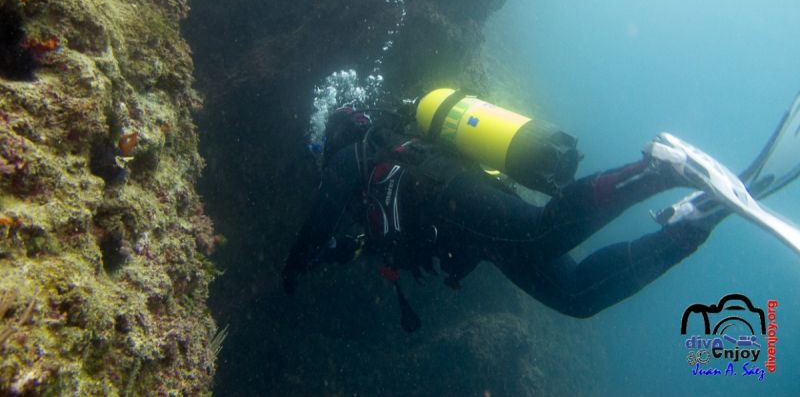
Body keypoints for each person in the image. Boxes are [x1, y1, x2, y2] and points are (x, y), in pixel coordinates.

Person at [280, 101, 770, 332]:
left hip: (457, 200)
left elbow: (320, 218)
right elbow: (375, 234)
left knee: (539, 235)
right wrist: (345, 250)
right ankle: (692, 225)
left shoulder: (356, 158)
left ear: (339, 134)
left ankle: (654, 172)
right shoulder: (373, 172)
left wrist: (293, 266)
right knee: (575, 295)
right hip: (468, 230)